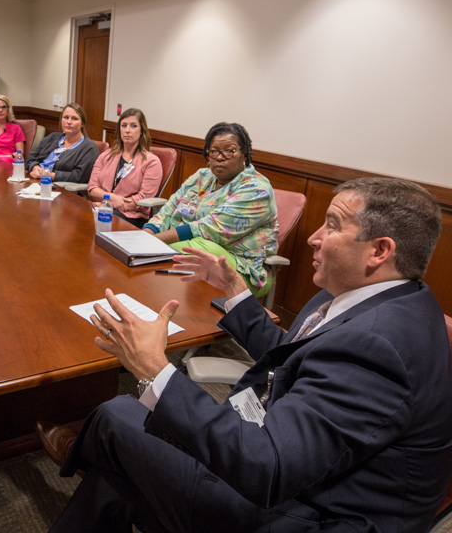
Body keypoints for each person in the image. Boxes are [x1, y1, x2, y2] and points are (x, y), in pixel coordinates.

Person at [39, 177, 452, 533]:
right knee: (118, 476)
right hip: (298, 461)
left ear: (380, 250)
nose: (313, 236)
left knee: (118, 417)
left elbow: (267, 467)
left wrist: (154, 368)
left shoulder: (380, 346)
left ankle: (84, 451)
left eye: (332, 225)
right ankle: (97, 457)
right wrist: (236, 292)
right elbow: (295, 360)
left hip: (317, 512)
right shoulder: (372, 298)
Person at [143, 122, 278, 297]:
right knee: (197, 252)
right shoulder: (201, 176)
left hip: (240, 268)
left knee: (205, 251)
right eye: (214, 151)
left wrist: (151, 244)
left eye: (229, 151)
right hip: (190, 252)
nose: (220, 157)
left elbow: (209, 229)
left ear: (244, 153)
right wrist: (146, 233)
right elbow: (168, 210)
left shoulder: (257, 188)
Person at [87, 108, 163, 227]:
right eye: (124, 126)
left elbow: (143, 198)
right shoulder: (106, 155)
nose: (127, 130)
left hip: (131, 216)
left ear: (142, 130)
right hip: (100, 207)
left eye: (133, 126)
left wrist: (109, 206)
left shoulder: (152, 162)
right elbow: (92, 189)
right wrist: (112, 198)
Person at [26, 103, 99, 184]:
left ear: (82, 123)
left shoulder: (89, 148)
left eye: (74, 119)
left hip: (57, 187)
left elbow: (79, 176)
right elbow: (31, 157)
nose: (69, 122)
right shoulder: (53, 137)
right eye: (66, 117)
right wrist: (35, 168)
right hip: (34, 180)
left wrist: (49, 175)